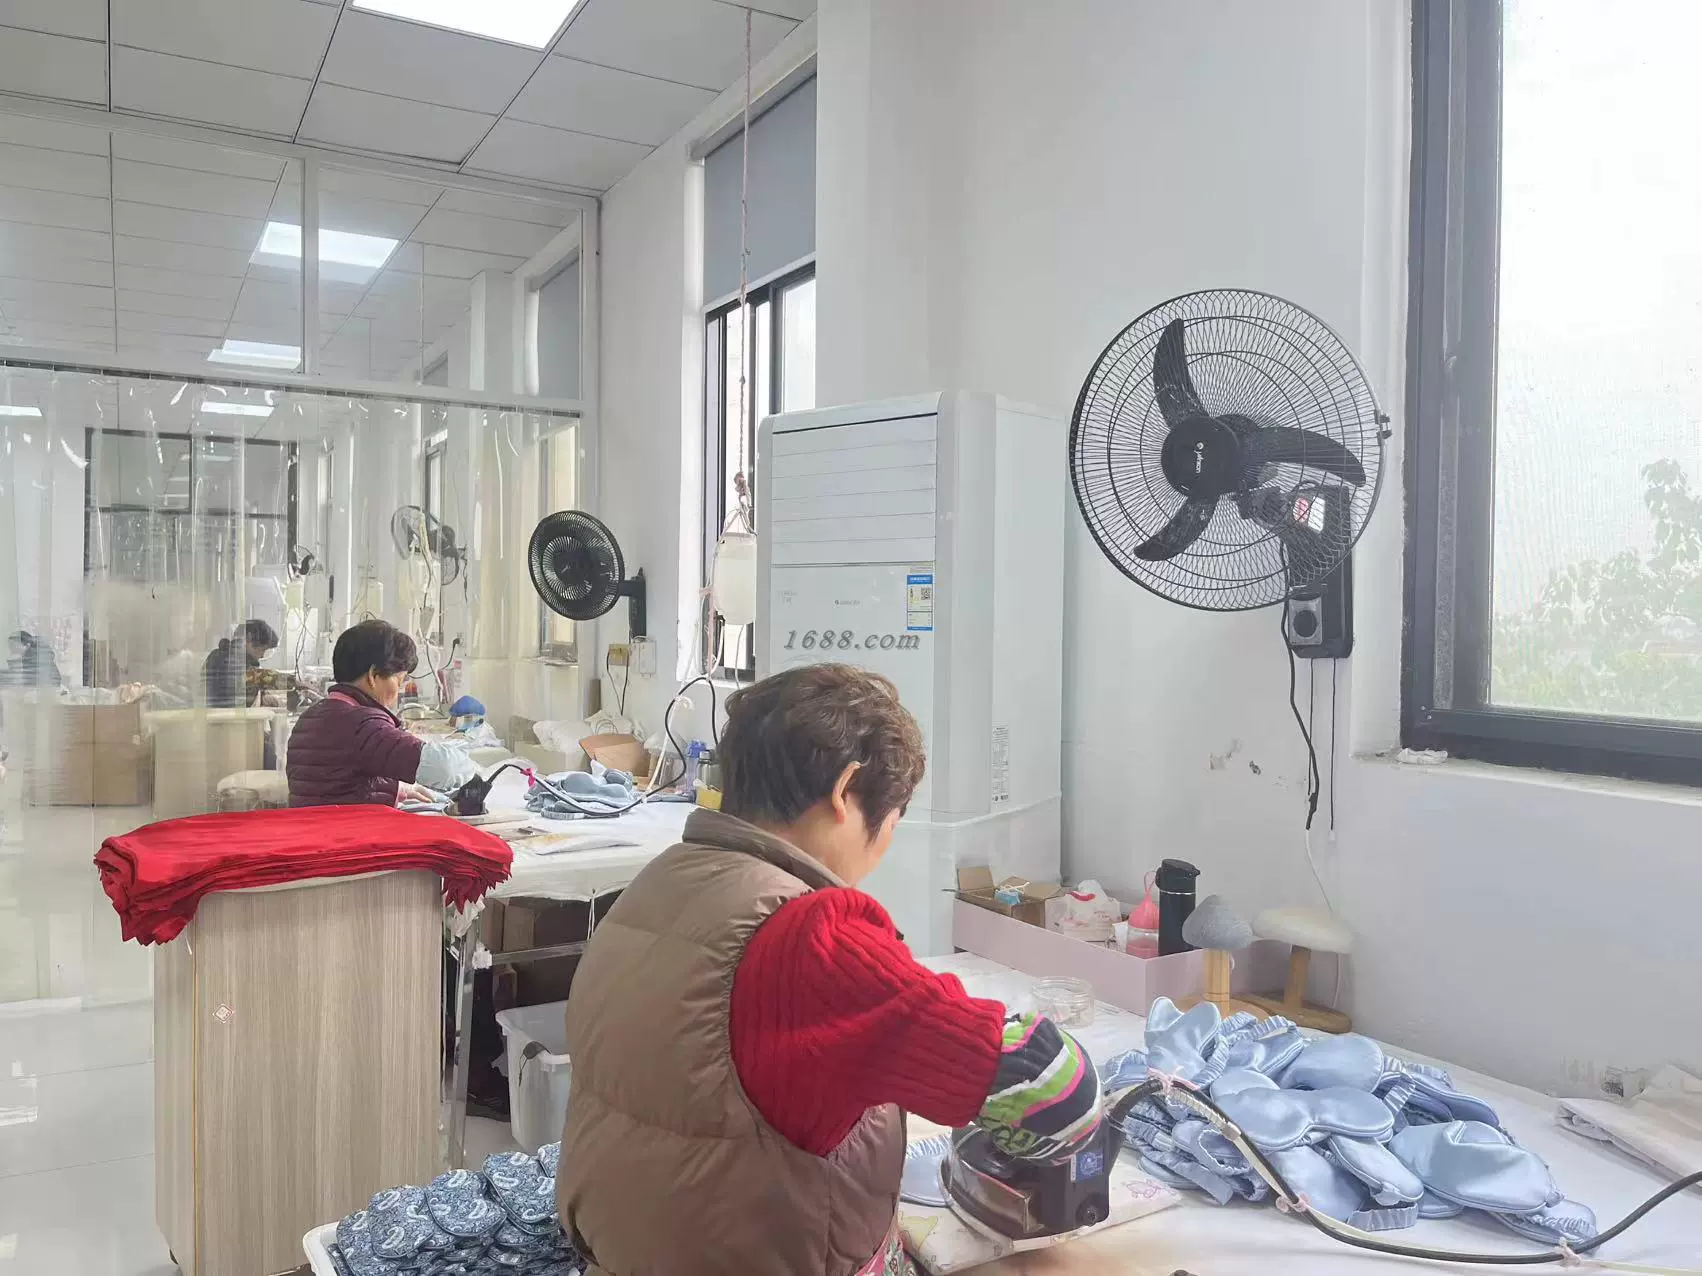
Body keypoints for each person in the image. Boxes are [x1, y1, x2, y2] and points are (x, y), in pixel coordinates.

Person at [557, 664, 1101, 1276]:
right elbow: (1057, 1094)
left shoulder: (659, 882)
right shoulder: (812, 937)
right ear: (846, 790)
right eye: (892, 819)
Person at [286, 619, 436, 807]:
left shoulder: (312, 715)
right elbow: (438, 766)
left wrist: (398, 789)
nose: (398, 690)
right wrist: (467, 764)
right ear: (373, 676)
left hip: (313, 822)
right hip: (347, 825)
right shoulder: (364, 724)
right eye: (399, 680)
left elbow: (340, 782)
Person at [202, 619, 279, 708]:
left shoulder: (219, 655)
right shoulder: (231, 662)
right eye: (262, 650)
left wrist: (262, 697)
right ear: (248, 641)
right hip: (225, 716)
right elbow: (256, 678)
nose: (262, 656)